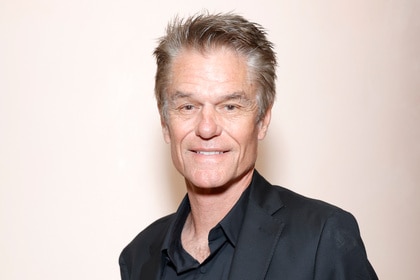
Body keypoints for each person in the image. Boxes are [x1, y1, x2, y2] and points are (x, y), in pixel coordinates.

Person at [119, 12, 378, 280]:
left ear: (262, 120)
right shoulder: (139, 257)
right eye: (187, 106)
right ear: (165, 124)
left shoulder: (322, 239)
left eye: (230, 106)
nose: (206, 128)